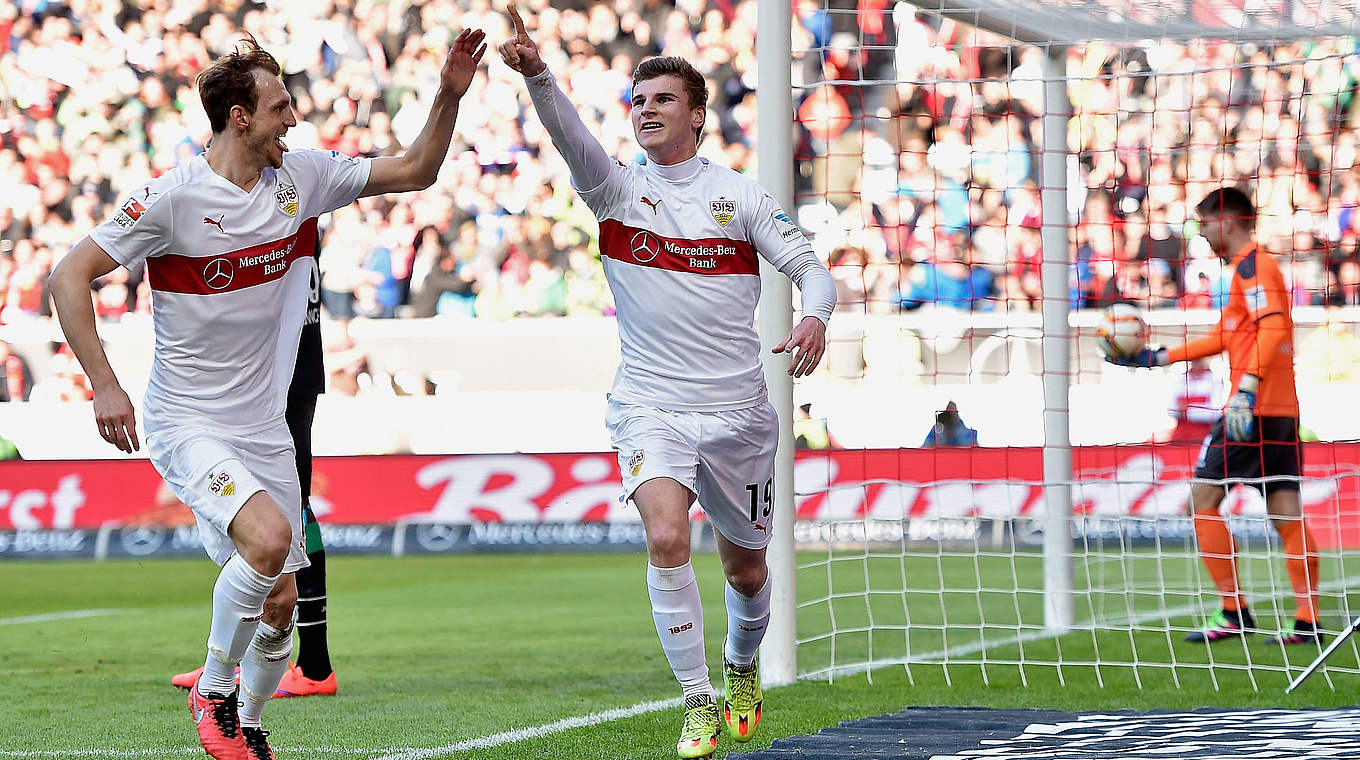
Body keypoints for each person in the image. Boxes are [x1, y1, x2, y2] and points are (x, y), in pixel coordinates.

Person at [48, 30, 486, 760]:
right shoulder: (172, 200)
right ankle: (214, 691)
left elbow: (415, 168)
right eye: (281, 107)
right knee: (269, 540)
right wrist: (104, 385)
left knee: (280, 602)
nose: (294, 119)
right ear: (240, 117)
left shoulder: (301, 178)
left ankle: (248, 724)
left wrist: (447, 93)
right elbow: (68, 276)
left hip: (261, 425)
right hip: (187, 419)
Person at [499, 9, 835, 758]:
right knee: (663, 535)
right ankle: (696, 702)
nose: (646, 111)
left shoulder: (739, 197)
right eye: (638, 102)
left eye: (662, 100)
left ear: (697, 116)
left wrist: (814, 318)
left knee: (747, 569)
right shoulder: (615, 192)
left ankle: (742, 668)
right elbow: (568, 135)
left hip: (739, 414)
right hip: (651, 407)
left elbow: (812, 269)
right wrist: (536, 75)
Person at [1108, 187, 1318, 647]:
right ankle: (1307, 620)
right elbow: (1226, 335)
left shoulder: (1253, 265)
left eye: (1205, 223)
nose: (1202, 233)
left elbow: (1275, 326)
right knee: (1286, 513)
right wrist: (1156, 357)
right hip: (1279, 410)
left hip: (1253, 408)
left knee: (1200, 502)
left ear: (1228, 219)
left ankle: (1233, 610)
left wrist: (1245, 390)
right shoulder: (1247, 271)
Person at [169, 229, 339, 698]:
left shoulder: (267, 204)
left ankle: (307, 663)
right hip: (287, 370)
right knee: (276, 515)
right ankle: (283, 657)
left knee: (276, 518)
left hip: (269, 376)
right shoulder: (293, 197)